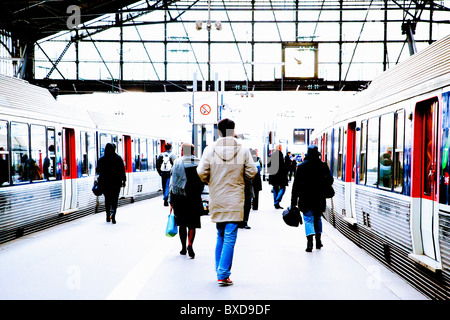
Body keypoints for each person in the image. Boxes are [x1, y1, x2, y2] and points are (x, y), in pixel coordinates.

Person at [197, 118, 257, 286]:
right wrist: (240, 179)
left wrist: (211, 180)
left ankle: (220, 271)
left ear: (219, 131)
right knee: (230, 236)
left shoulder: (210, 150)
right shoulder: (243, 150)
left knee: (220, 235)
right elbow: (252, 171)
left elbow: (201, 172)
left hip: (217, 197)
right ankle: (223, 274)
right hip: (235, 197)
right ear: (233, 131)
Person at [290, 144, 333, 252]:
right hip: (319, 198)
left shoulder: (301, 167)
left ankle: (310, 243)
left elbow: (295, 186)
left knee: (308, 220)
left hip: (305, 199)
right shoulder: (323, 166)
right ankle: (318, 241)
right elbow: (330, 180)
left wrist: (293, 202)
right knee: (318, 218)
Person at [169, 143, 204, 259]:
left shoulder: (177, 163)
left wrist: (171, 201)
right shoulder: (199, 163)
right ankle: (190, 245)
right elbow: (203, 181)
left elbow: (172, 183)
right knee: (192, 224)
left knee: (182, 224)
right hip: (194, 198)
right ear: (193, 152)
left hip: (179, 198)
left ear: (182, 151)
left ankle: (183, 248)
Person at [96, 143, 126, 224]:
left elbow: (98, 170)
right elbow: (122, 170)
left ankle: (107, 215)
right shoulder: (118, 158)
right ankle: (113, 215)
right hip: (116, 183)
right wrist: (124, 180)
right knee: (114, 199)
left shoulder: (101, 159)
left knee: (107, 199)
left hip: (105, 183)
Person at [268, 144, 288, 209]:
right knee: (283, 188)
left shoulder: (272, 155)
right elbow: (282, 166)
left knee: (275, 188)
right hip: (280, 175)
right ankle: (276, 202)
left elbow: (269, 165)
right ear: (279, 148)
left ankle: (276, 204)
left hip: (273, 175)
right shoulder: (280, 154)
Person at [156, 142, 177, 206]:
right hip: (169, 173)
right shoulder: (172, 155)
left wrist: (160, 172)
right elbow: (175, 165)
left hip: (163, 173)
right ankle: (166, 198)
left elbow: (157, 165)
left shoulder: (161, 155)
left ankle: (165, 199)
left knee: (164, 186)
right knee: (168, 185)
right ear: (170, 148)